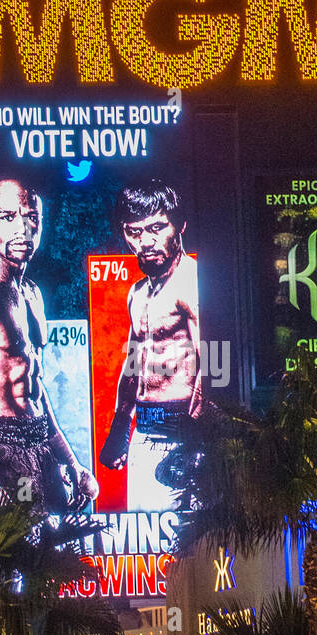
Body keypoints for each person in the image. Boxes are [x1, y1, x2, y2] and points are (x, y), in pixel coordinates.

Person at [0, 179, 99, 514]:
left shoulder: (31, 293)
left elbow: (36, 385)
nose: (23, 230)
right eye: (8, 217)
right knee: (20, 557)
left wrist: (72, 462)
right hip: (0, 445)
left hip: (40, 440)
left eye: (31, 219)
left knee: (62, 555)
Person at [100, 182, 201, 511]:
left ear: (180, 224)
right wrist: (119, 427)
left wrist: (197, 437)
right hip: (144, 429)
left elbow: (215, 366)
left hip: (184, 432)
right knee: (147, 533)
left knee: (189, 546)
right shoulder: (137, 293)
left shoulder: (192, 281)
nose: (145, 242)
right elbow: (135, 364)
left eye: (157, 228)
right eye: (134, 231)